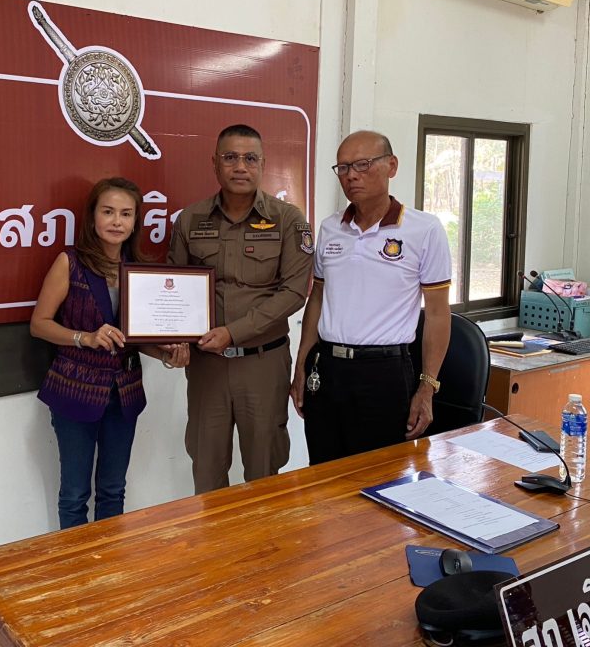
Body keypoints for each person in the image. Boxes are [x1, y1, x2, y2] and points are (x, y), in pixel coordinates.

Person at [31, 177, 189, 529]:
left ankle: (108, 562)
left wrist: (166, 355)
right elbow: (39, 324)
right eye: (108, 212)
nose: (117, 221)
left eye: (126, 214)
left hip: (124, 392)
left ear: (135, 222)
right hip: (75, 389)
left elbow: (134, 337)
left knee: (113, 490)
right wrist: (84, 338)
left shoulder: (140, 269)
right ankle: (77, 562)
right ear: (92, 217)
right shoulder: (69, 263)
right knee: (74, 495)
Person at [290, 130, 451, 464]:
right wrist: (302, 364)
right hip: (328, 369)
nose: (351, 175)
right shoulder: (331, 228)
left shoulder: (424, 229)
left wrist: (427, 386)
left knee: (380, 477)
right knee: (323, 473)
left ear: (391, 166)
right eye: (343, 167)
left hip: (385, 373)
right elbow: (317, 298)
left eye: (362, 164)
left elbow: (437, 313)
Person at [168, 124, 313, 494]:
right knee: (207, 469)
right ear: (215, 164)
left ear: (263, 164)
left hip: (263, 364)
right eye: (230, 157)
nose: (240, 167)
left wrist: (233, 333)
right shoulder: (190, 220)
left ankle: (263, 536)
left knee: (263, 473)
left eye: (250, 158)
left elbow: (294, 292)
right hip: (207, 367)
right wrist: (170, 340)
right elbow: (174, 289)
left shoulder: (288, 220)